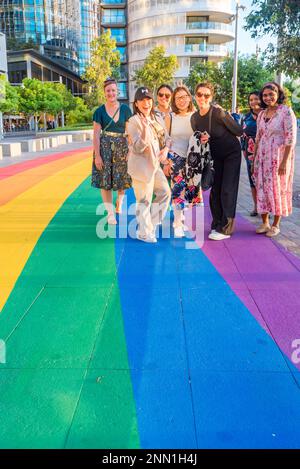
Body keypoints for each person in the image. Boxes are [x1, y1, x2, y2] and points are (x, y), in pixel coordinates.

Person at [191, 82, 243, 241]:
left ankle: (226, 229)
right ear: (195, 95)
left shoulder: (219, 113)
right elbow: (198, 139)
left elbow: (238, 131)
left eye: (206, 95)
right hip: (215, 157)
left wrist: (226, 114)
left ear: (211, 97)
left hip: (231, 154)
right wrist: (203, 139)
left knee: (227, 189)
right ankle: (217, 223)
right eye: (199, 94)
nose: (202, 98)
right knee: (215, 191)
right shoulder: (194, 118)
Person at [252, 82, 297, 237]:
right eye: (265, 95)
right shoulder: (262, 114)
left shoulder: (286, 111)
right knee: (262, 189)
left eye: (271, 94)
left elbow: (290, 139)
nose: (268, 97)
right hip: (262, 158)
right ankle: (265, 223)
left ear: (278, 94)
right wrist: (254, 160)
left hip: (278, 158)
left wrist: (285, 162)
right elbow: (258, 138)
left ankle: (276, 225)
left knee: (277, 189)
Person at [127, 87, 171, 243]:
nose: (146, 103)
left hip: (155, 165)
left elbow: (167, 138)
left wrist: (165, 149)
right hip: (141, 167)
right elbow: (137, 148)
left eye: (148, 99)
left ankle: (148, 225)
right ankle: (144, 232)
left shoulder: (155, 118)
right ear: (137, 104)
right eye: (142, 100)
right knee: (144, 200)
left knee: (165, 192)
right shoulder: (133, 122)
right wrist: (145, 131)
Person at [92, 78, 132, 224]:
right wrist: (97, 156)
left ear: (117, 91)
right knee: (105, 181)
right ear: (104, 92)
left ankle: (119, 202)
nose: (111, 93)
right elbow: (96, 134)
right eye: (108, 90)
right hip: (104, 149)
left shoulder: (126, 109)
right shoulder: (99, 112)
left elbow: (130, 131)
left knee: (122, 181)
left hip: (122, 148)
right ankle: (109, 213)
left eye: (113, 90)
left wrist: (131, 150)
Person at [164, 86, 197, 237]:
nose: (182, 100)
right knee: (177, 188)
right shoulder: (170, 117)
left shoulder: (195, 115)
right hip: (176, 155)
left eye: (185, 97)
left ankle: (182, 215)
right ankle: (177, 222)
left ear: (189, 98)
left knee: (190, 189)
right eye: (178, 98)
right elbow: (166, 139)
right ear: (174, 101)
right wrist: (167, 160)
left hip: (192, 158)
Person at [241, 91, 262, 216]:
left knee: (264, 181)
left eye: (256, 99)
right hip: (250, 153)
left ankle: (266, 207)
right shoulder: (246, 117)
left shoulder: (268, 115)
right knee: (252, 181)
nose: (253, 102)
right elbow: (242, 136)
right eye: (251, 100)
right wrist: (244, 152)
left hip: (266, 152)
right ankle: (256, 207)